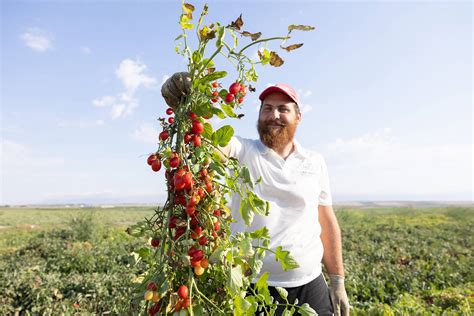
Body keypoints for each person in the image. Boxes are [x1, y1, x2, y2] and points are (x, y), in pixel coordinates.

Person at [163, 78, 350, 315]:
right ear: (259, 116)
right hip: (253, 290)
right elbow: (209, 142)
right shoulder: (243, 151)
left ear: (298, 117)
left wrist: (337, 281)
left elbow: (326, 220)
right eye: (267, 109)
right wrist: (188, 106)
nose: (274, 115)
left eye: (283, 109)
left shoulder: (314, 161)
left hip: (310, 285)